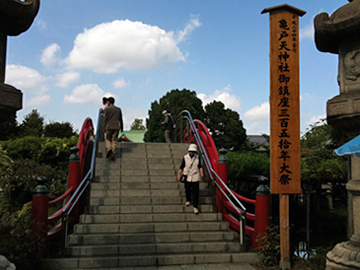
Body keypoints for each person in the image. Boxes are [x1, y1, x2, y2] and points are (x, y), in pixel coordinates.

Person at [177, 143, 204, 214]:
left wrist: (201, 173)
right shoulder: (185, 157)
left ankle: (195, 206)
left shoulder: (197, 157)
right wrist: (179, 174)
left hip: (195, 175)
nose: (192, 152)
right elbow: (182, 166)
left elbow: (200, 166)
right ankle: (188, 200)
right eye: (191, 151)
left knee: (196, 192)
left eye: (193, 151)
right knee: (187, 189)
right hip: (187, 175)